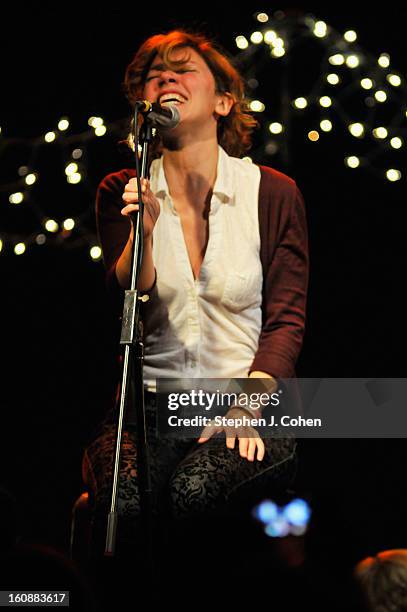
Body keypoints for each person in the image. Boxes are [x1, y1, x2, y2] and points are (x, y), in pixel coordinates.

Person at [81, 29, 309, 565]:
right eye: (154, 74)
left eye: (183, 70)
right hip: (150, 406)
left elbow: (286, 319)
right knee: (128, 503)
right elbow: (129, 295)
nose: (165, 78)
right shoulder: (122, 188)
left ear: (224, 102)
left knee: (194, 494)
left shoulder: (274, 192)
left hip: (249, 401)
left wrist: (247, 405)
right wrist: (144, 229)